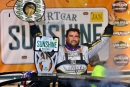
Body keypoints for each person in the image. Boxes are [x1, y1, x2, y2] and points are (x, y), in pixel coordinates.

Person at [28, 12, 116, 87]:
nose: (74, 39)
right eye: (71, 36)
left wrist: (110, 24)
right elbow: (39, 39)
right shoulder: (58, 50)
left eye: (76, 36)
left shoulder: (85, 49)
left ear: (79, 38)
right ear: (66, 38)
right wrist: (31, 23)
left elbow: (102, 41)